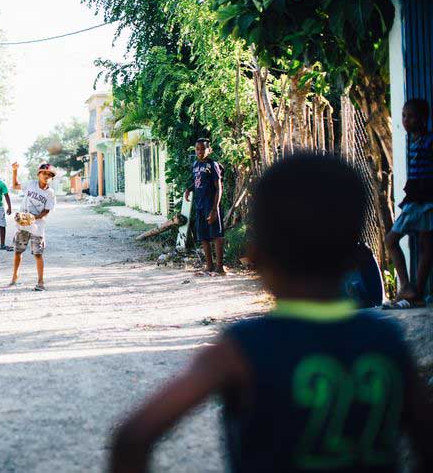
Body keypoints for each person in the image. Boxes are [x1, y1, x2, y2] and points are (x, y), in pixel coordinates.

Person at [110, 153, 433, 473]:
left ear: (256, 257)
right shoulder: (387, 340)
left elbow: (134, 437)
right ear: (355, 259)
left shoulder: (241, 348)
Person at [385, 99, 433, 306]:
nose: (405, 120)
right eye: (404, 115)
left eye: (410, 116)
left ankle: (409, 288)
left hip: (423, 200)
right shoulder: (412, 140)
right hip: (418, 199)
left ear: (422, 119)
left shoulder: (428, 141)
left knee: (391, 241)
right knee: (426, 245)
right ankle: (415, 292)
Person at [9, 162, 56, 291]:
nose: (46, 176)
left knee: (38, 254)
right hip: (23, 224)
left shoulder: (50, 193)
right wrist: (14, 171)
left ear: (51, 177)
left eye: (49, 174)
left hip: (37, 227)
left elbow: (47, 210)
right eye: (44, 173)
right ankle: (14, 277)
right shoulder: (30, 184)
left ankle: (41, 282)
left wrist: (35, 218)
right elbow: (15, 185)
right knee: (18, 251)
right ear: (38, 174)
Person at [184, 138, 225, 275]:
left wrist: (214, 209)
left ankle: (220, 267)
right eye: (197, 149)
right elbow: (197, 182)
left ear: (209, 150)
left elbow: (219, 187)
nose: (200, 151)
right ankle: (209, 266)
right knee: (203, 236)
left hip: (211, 205)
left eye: (203, 149)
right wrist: (189, 189)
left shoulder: (212, 165)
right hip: (199, 205)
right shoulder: (195, 165)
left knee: (216, 234)